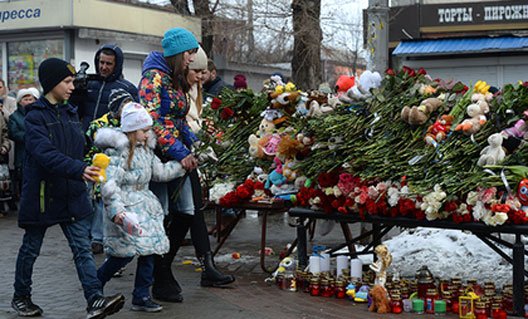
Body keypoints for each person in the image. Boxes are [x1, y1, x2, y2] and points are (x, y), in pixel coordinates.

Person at [11, 58, 124, 318]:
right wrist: (78, 169)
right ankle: (21, 296)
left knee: (82, 249)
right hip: (42, 195)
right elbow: (44, 153)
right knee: (30, 248)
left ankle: (95, 300)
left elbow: (81, 147)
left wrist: (97, 157)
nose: (72, 86)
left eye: (72, 81)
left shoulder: (71, 112)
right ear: (52, 84)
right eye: (67, 81)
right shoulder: (35, 117)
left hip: (70, 193)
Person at [139, 27, 235, 303]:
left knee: (187, 212)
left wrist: (197, 142)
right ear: (179, 53)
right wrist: (181, 151)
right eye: (190, 53)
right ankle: (156, 277)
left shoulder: (174, 79)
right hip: (159, 157)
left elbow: (178, 120)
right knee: (161, 217)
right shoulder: (153, 79)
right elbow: (154, 121)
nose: (193, 59)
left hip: (179, 156)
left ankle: (164, 267)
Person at [94, 102, 186, 312]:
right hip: (125, 208)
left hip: (146, 206)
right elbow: (109, 185)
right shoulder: (117, 153)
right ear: (132, 130)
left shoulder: (146, 151)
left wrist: (182, 165)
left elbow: (160, 172)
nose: (148, 134)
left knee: (150, 251)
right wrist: (117, 212)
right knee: (122, 254)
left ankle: (141, 295)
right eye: (144, 130)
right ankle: (95, 284)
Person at [85, 89, 134, 255]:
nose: (127, 110)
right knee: (100, 203)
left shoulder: (131, 125)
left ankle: (119, 238)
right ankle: (97, 238)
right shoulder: (98, 125)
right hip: (102, 169)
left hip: (124, 171)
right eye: (124, 106)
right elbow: (91, 146)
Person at [76, 44, 138, 132]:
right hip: (84, 138)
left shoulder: (128, 89)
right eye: (101, 62)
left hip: (110, 141)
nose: (104, 67)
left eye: (109, 64)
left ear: (117, 65)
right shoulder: (88, 84)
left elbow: (133, 121)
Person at [8, 88, 40, 202]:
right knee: (24, 184)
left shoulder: (39, 115)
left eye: (30, 99)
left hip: (38, 154)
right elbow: (13, 133)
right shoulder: (14, 117)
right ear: (19, 101)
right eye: (25, 99)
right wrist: (31, 137)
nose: (28, 102)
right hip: (22, 156)